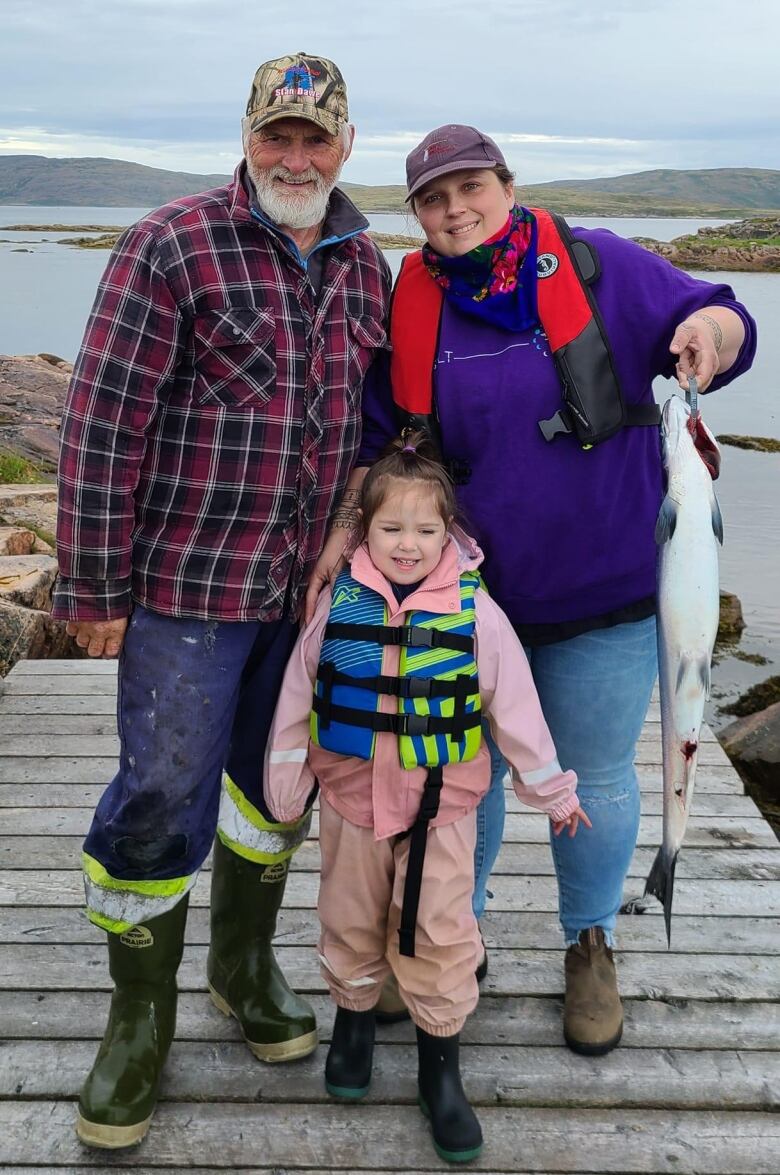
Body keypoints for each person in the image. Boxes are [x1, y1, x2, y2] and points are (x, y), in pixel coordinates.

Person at [308, 124, 757, 1056]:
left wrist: (707, 337)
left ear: (507, 186)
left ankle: (589, 940)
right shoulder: (416, 294)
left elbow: (726, 315)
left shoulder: (599, 267)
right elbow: (385, 429)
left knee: (591, 776)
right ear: (417, 215)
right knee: (458, 778)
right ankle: (443, 943)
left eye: (470, 187)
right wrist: (350, 536)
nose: (453, 209)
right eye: (432, 198)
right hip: (468, 600)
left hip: (608, 591)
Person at [51, 52, 390, 1148]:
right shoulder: (170, 243)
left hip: (307, 600)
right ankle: (137, 1019)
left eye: (315, 137)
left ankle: (243, 969)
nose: (295, 155)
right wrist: (91, 581)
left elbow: (371, 431)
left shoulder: (362, 262)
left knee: (273, 789)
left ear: (345, 145)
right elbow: (104, 423)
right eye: (275, 134)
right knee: (158, 797)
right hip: (189, 592)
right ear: (247, 135)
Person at [267, 434, 586, 1163]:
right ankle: (352, 1026)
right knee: (347, 918)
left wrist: (553, 789)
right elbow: (296, 698)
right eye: (390, 528)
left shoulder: (479, 617)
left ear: (450, 533)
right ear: (364, 529)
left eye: (425, 529)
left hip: (442, 811)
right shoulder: (336, 606)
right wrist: (287, 782)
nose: (407, 545)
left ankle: (440, 1070)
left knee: (442, 934)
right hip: (350, 805)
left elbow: (519, 712)